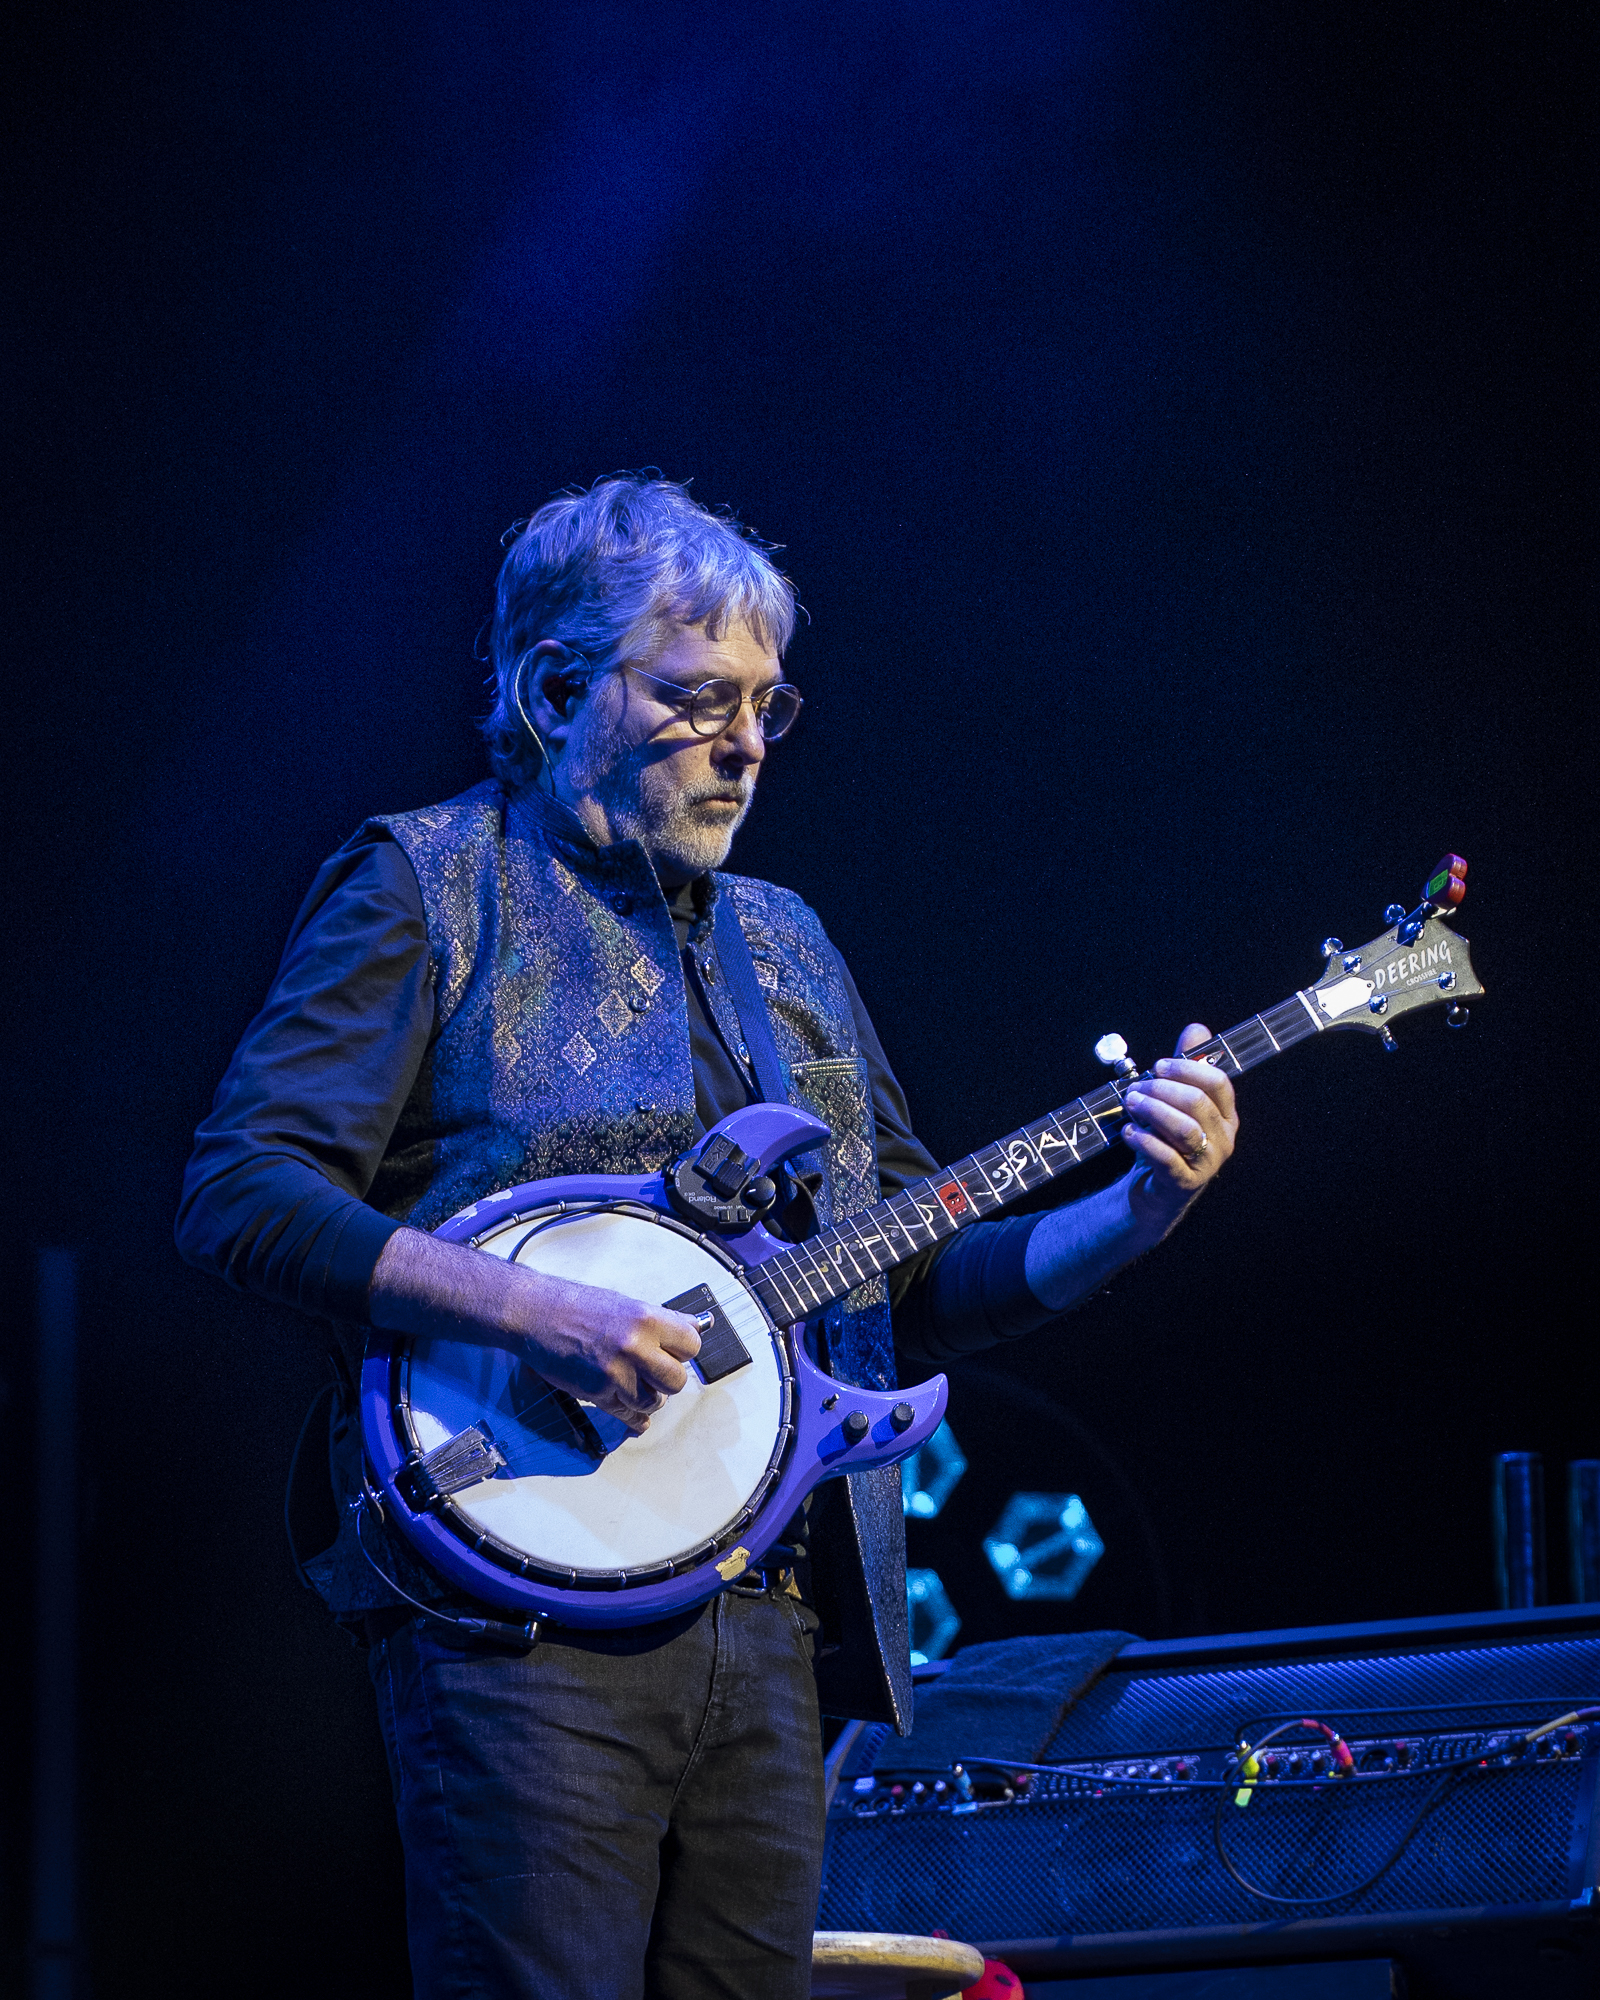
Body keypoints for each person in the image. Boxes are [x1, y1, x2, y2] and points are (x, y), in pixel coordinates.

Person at [176, 475, 1238, 1999]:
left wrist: (1136, 1211)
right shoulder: (426, 885)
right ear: (555, 689)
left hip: (769, 1611)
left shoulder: (789, 943)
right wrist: (538, 1315)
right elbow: (241, 1190)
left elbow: (915, 1285)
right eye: (696, 699)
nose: (747, 744)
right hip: (516, 1614)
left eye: (768, 703)